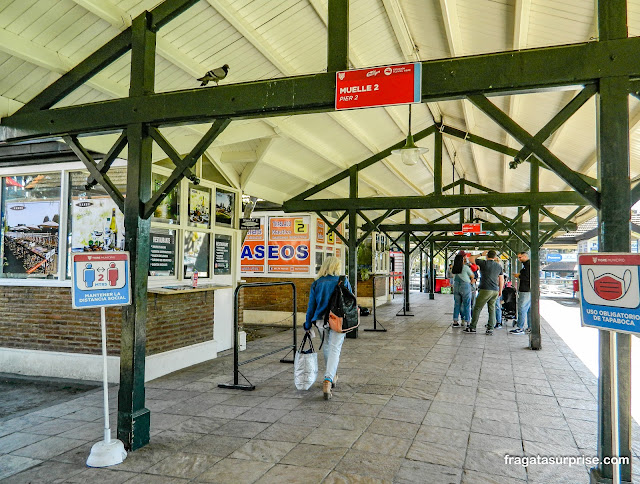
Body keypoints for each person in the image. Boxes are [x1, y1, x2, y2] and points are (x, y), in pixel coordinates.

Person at [304, 256, 352, 399]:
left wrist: (307, 324)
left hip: (320, 321)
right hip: (337, 320)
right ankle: (328, 379)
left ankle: (332, 375)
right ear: (336, 267)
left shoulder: (317, 283)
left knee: (326, 347)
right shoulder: (342, 281)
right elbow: (349, 301)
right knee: (335, 349)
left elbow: (311, 306)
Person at [466, 250, 504, 335]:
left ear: (487, 256)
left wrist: (480, 254)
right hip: (495, 290)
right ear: (495, 257)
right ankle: (490, 328)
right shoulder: (499, 266)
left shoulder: (483, 263)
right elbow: (501, 279)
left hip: (485, 289)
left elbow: (471, 258)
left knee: (477, 308)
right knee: (492, 309)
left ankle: (472, 327)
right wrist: (500, 290)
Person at [451, 251, 475, 328]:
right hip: (465, 286)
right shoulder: (465, 267)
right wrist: (472, 280)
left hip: (456, 286)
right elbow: (472, 275)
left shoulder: (453, 268)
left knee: (457, 304)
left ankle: (455, 321)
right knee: (467, 304)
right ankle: (467, 322)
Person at [510, 251, 531, 335]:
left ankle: (520, 327)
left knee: (522, 308)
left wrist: (519, 276)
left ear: (525, 256)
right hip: (529, 289)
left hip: (525, 289)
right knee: (529, 309)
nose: (519, 259)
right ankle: (530, 327)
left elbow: (527, 277)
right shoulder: (528, 265)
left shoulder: (528, 266)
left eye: (520, 257)